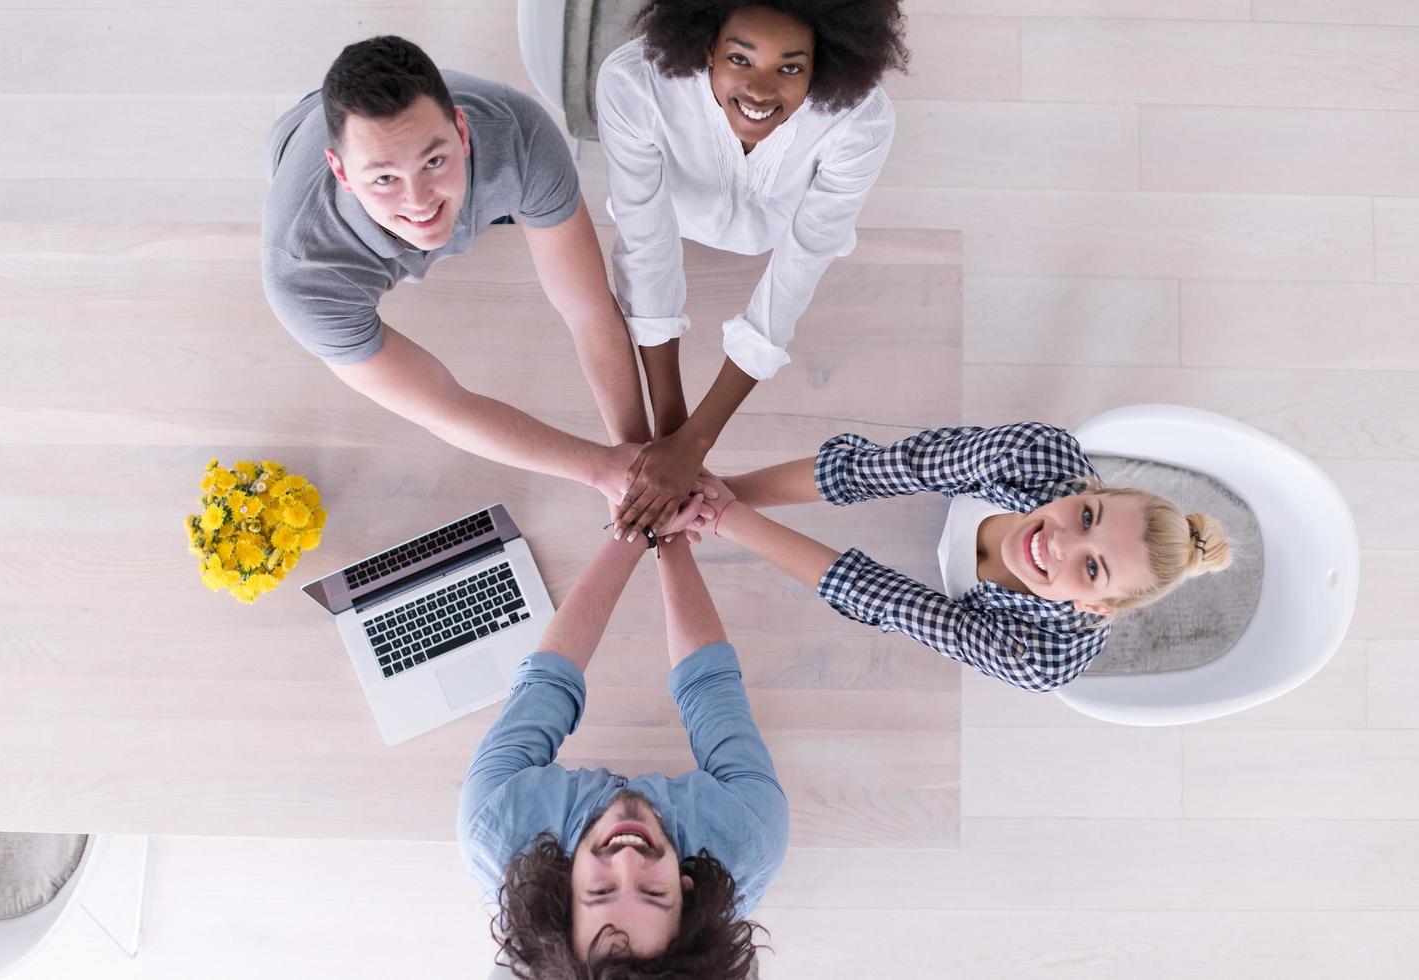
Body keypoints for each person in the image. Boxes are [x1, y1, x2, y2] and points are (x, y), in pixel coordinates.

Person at [262, 35, 655, 507]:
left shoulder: (521, 133)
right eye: (385, 178)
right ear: (342, 172)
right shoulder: (303, 276)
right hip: (299, 148)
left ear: (463, 133)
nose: (418, 199)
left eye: (434, 161)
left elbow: (588, 310)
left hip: (490, 153)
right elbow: (444, 405)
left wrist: (637, 460)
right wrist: (601, 470)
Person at [596, 0, 911, 538]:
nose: (762, 90)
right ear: (706, 48)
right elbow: (646, 244)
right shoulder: (635, 83)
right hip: (676, 214)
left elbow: (801, 260)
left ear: (823, 64)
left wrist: (694, 441)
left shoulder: (861, 119)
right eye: (740, 59)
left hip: (781, 226)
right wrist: (672, 425)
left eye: (790, 67)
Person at [457, 497, 785, 977]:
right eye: (653, 893)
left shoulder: (498, 825)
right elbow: (709, 685)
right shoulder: (748, 835)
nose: (629, 859)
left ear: (562, 889)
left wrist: (636, 518)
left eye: (601, 890)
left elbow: (549, 680)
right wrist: (666, 524)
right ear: (688, 890)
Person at [689, 422, 1234, 692]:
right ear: (1091, 487)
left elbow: (883, 597)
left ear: (1096, 608)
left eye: (1092, 568)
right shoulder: (1035, 457)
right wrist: (719, 489)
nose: (1060, 542)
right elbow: (875, 469)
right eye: (1087, 516)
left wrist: (722, 518)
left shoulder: (1042, 657)